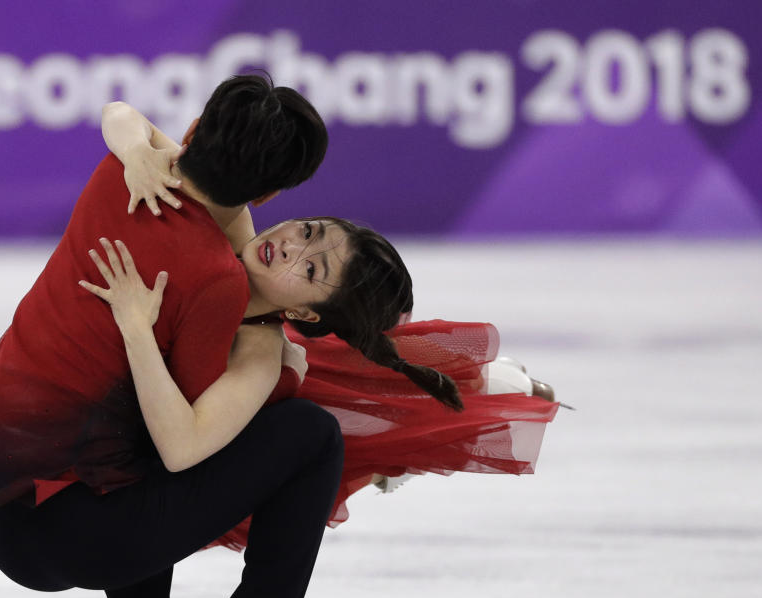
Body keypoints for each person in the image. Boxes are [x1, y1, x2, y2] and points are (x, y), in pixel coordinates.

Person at [0, 75, 353, 598]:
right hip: (85, 539)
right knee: (311, 433)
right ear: (268, 194)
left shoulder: (120, 172)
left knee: (125, 429)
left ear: (192, 131)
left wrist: (138, 146)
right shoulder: (217, 282)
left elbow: (122, 115)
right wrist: (280, 368)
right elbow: (187, 432)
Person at [97, 103, 560, 551]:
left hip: (241, 387)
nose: (288, 245)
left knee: (316, 396)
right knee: (330, 380)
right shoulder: (225, 212)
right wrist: (136, 153)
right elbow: (120, 114)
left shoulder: (258, 329)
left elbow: (184, 444)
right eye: (307, 230)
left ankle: (467, 402)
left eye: (314, 267)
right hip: (267, 360)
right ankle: (443, 411)